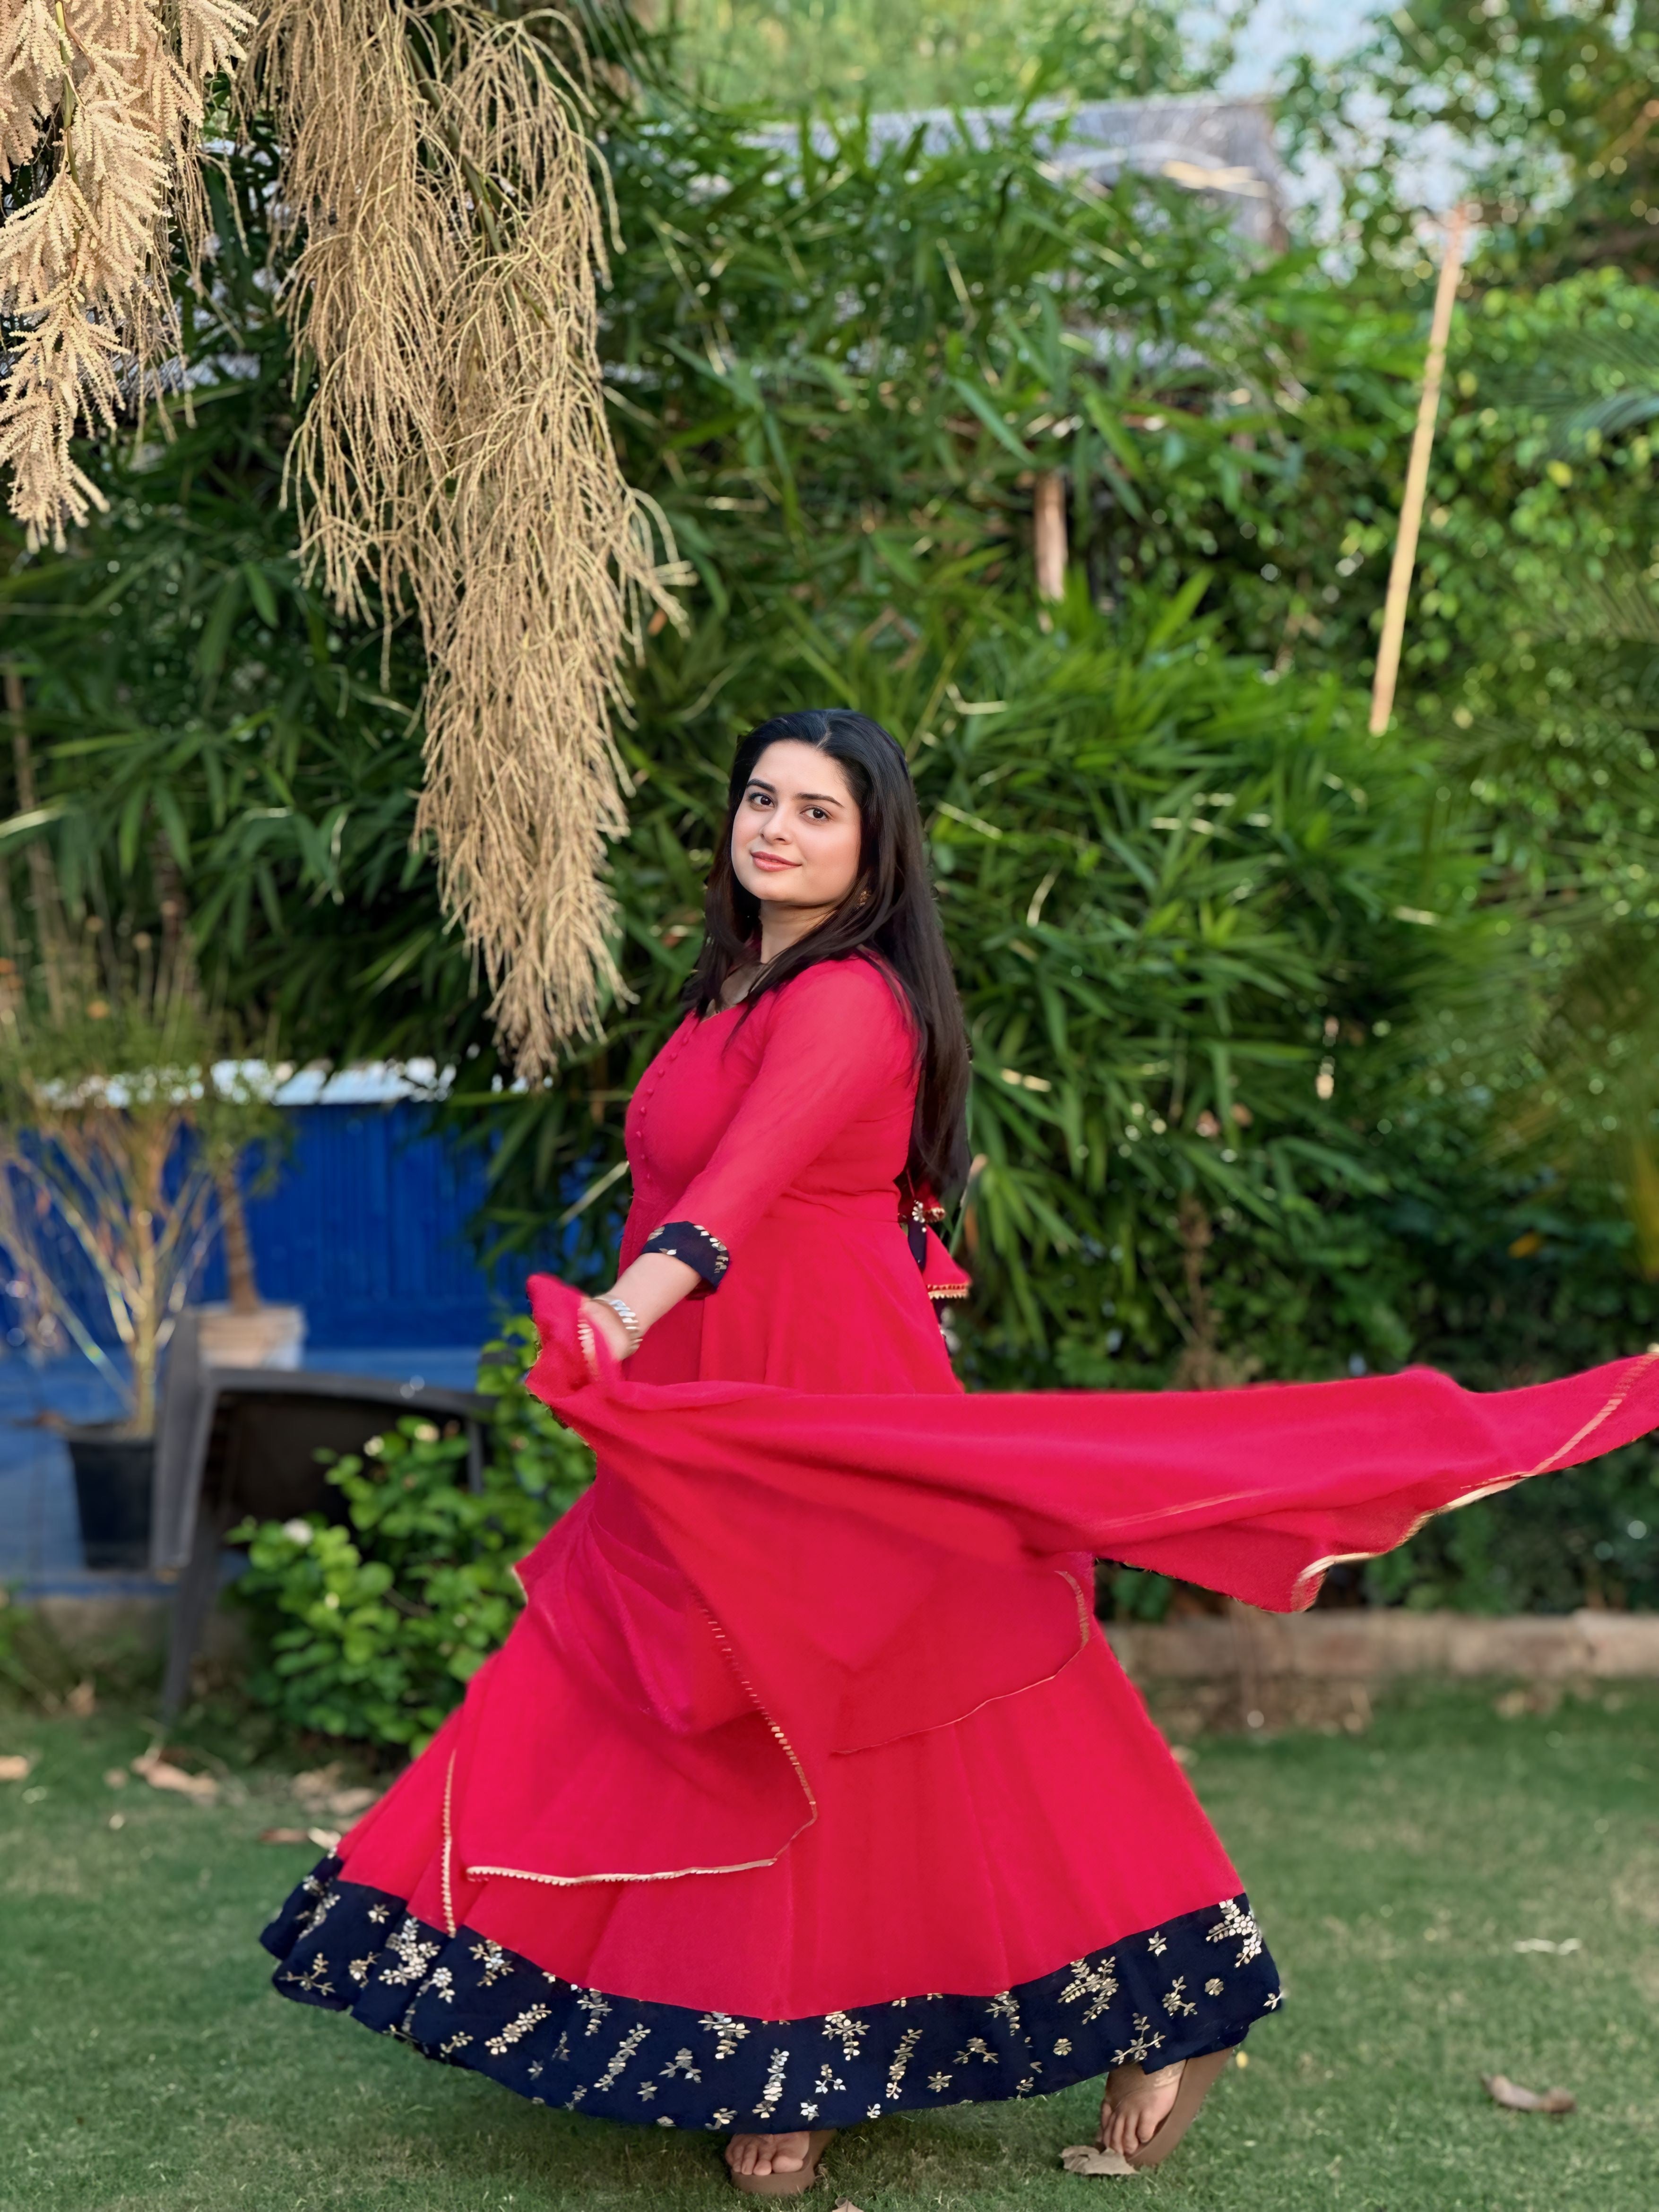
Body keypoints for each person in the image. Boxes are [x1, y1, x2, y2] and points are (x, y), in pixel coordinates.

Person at [264, 709, 1659, 2197]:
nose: (776, 827)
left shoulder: (851, 998)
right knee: (698, 1702)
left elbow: (729, 1202)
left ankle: (1158, 2004)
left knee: (905, 1701)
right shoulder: (726, 993)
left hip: (823, 1403)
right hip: (711, 1411)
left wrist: (619, 1312)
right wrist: (655, 1354)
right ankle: (778, 2044)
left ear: (875, 851)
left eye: (817, 809)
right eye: (760, 799)